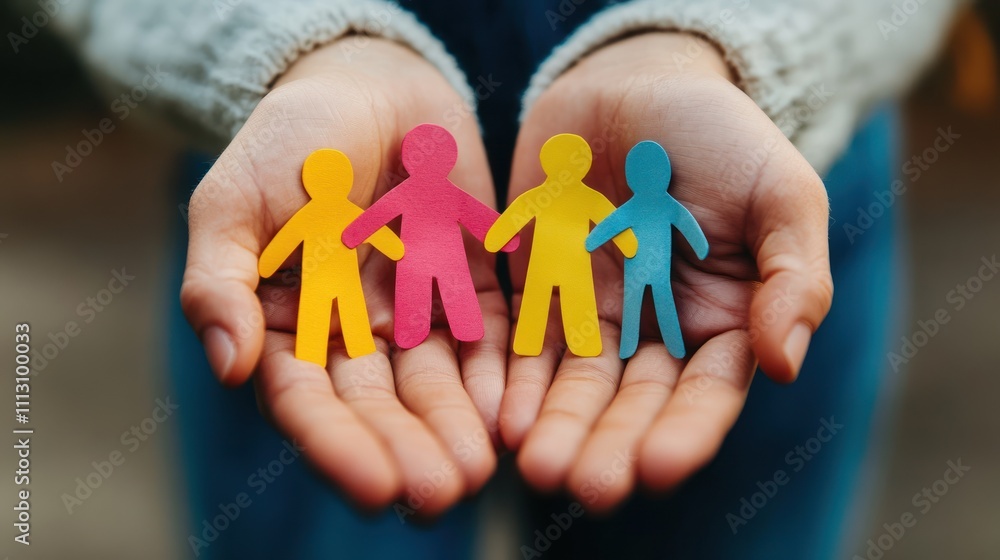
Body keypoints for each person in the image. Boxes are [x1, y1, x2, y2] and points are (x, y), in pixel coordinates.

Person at [46, 0, 965, 558]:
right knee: (389, 322)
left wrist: (726, 49)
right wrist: (284, 49)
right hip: (289, 171)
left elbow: (552, 222)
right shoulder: (363, 199)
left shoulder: (603, 199)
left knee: (607, 315)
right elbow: (417, 224)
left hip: (745, 186)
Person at [485, 133, 637, 357]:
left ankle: (531, 343)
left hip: (548, 263)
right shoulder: (589, 198)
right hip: (572, 263)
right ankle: (582, 345)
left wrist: (496, 239)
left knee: (539, 299)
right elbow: (613, 224)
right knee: (574, 300)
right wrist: (629, 245)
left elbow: (511, 220)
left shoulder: (540, 196)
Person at [259, 148, 404, 363]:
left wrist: (268, 264)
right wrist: (394, 248)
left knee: (318, 311)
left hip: (319, 276)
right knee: (349, 309)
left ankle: (313, 351)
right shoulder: (346, 212)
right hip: (340, 276)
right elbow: (377, 234)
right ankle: (354, 346)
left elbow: (286, 240)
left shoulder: (310, 214)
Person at [585, 140, 708, 360]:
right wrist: (591, 241)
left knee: (649, 301)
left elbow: (686, 224)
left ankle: (667, 346)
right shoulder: (648, 206)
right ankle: (632, 347)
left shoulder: (656, 206)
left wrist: (700, 247)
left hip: (652, 266)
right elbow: (611, 225)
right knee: (643, 301)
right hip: (642, 264)